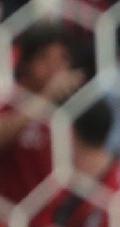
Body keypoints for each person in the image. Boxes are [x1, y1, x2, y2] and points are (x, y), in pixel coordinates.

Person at [0, 22, 83, 215]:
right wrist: (45, 99)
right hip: (11, 221)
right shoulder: (10, 101)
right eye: (44, 58)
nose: (54, 68)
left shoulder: (76, 105)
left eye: (62, 59)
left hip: (57, 224)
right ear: (26, 63)